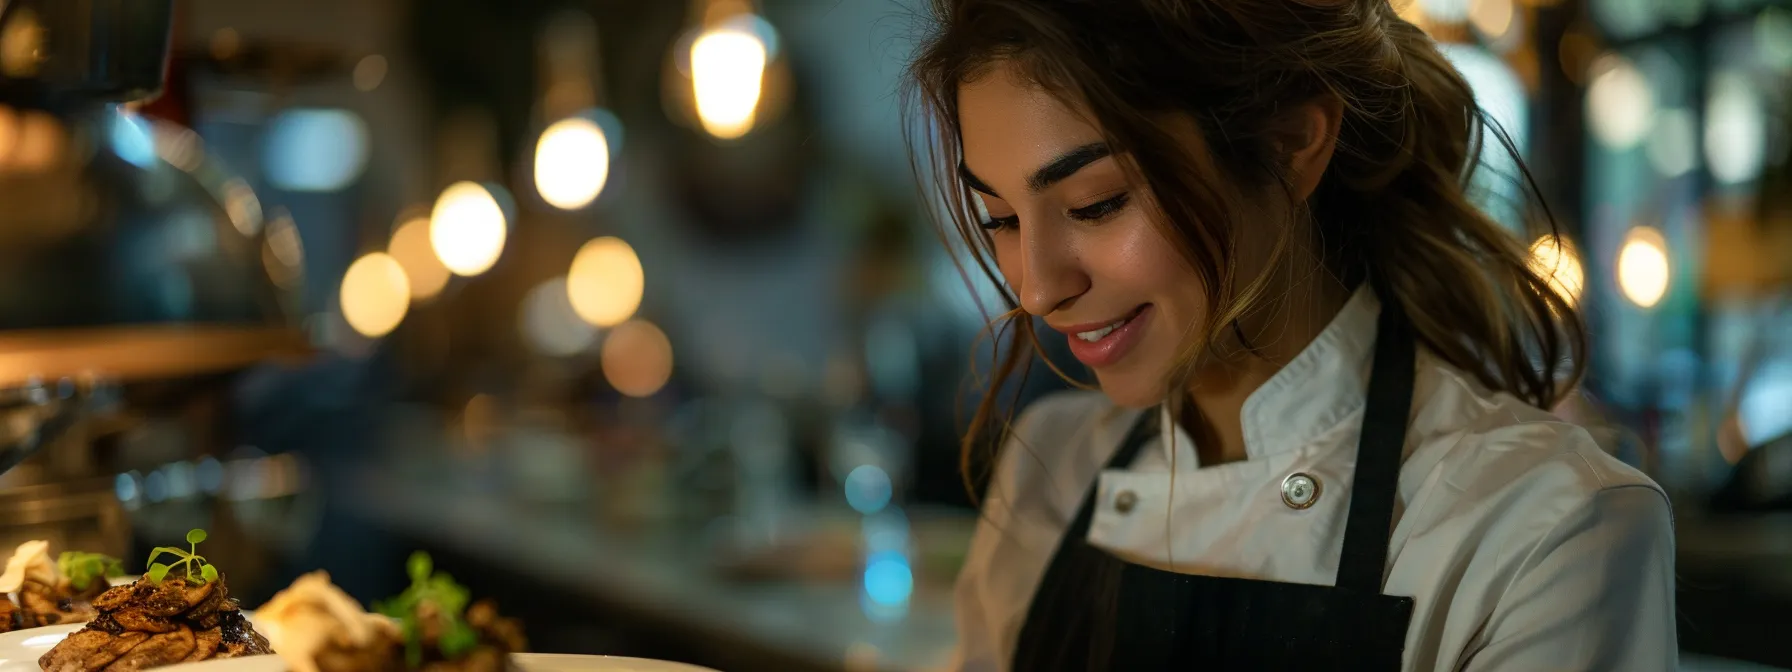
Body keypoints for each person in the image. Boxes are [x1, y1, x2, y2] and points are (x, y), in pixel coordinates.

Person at [905, 0, 1676, 670]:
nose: (1038, 289)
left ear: (1291, 143)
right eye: (999, 220)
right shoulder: (1053, 469)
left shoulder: (1544, 528)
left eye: (1096, 203)